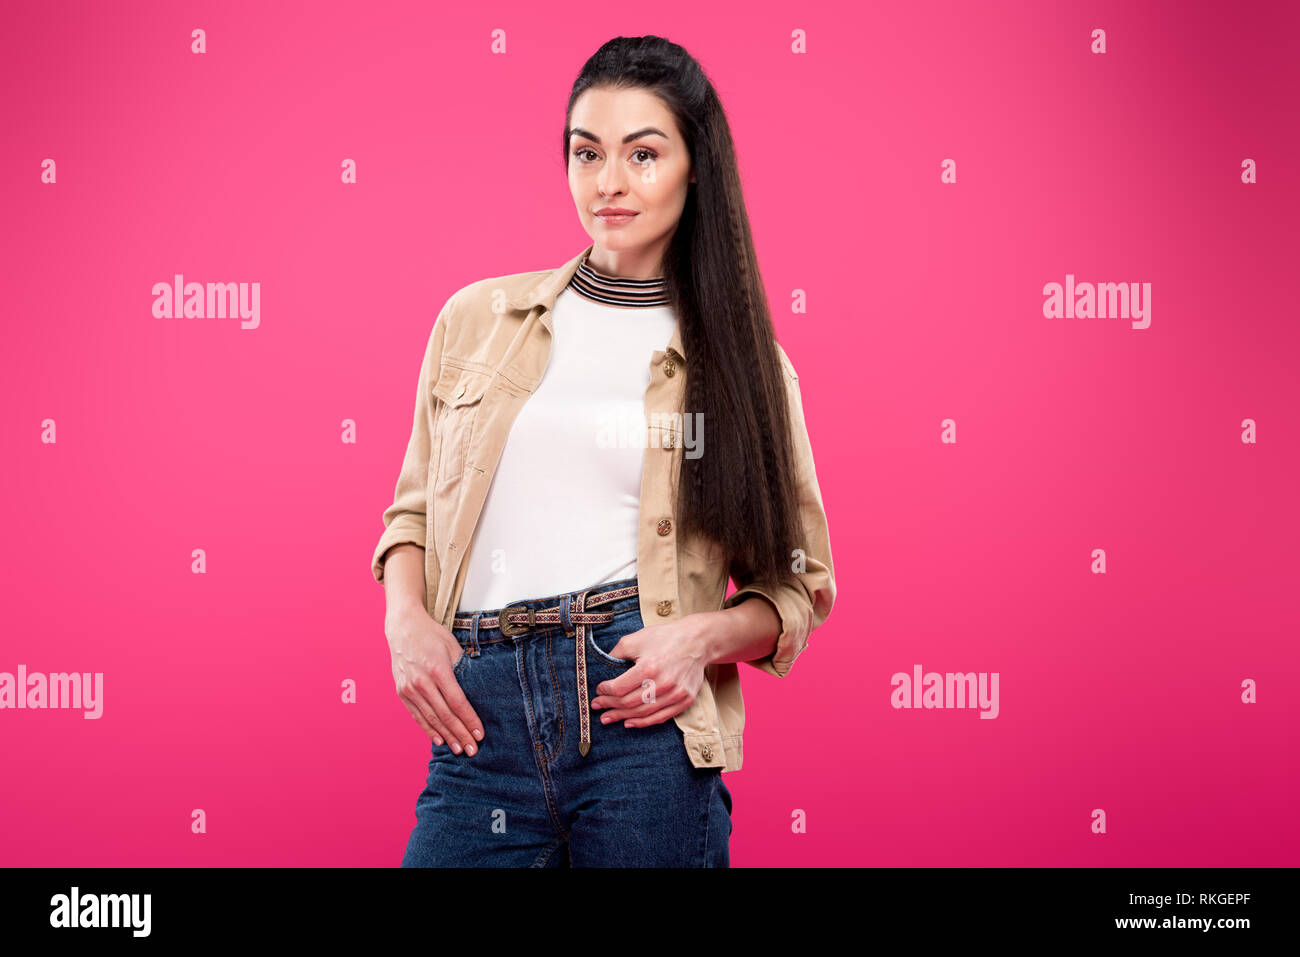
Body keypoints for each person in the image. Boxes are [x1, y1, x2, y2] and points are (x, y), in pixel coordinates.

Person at [372, 35, 836, 867]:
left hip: (638, 720)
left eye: (643, 153)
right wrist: (405, 624)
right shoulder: (478, 321)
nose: (609, 182)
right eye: (587, 153)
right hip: (479, 722)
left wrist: (698, 640)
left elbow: (797, 586)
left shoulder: (746, 367)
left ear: (697, 167)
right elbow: (411, 514)